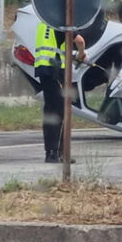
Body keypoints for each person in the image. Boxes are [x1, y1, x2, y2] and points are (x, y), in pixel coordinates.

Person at [34, 19, 85, 163]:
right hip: (54, 71)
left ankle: (51, 152)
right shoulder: (59, 23)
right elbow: (80, 41)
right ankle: (58, 153)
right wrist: (81, 55)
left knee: (50, 111)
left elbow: (54, 47)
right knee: (61, 112)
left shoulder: (43, 22)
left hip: (44, 70)